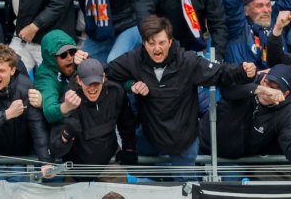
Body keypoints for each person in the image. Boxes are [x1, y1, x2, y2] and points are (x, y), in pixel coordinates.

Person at [106, 15, 255, 176]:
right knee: (144, 182)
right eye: (151, 43)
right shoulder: (133, 59)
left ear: (170, 42)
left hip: (183, 141)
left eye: (162, 42)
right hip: (149, 135)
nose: (157, 49)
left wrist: (243, 72)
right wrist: (131, 85)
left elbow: (220, 73)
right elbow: (106, 73)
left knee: (185, 189)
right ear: (144, 43)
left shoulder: (188, 61)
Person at [0, 43, 52, 178]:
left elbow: (37, 125)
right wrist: (6, 114)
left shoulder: (25, 86)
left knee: (20, 179)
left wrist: (45, 160)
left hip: (21, 153)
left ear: (12, 70)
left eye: (1, 71)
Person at [49, 58, 138, 175]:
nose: (92, 88)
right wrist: (66, 135)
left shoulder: (116, 92)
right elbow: (55, 149)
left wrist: (129, 148)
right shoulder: (70, 102)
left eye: (96, 82)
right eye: (88, 83)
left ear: (103, 78)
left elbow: (126, 124)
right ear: (79, 80)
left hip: (109, 165)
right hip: (76, 171)